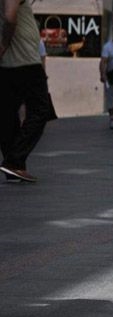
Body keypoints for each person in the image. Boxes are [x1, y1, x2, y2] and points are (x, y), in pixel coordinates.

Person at [0, 0, 52, 182]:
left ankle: (14, 167)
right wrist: (4, 44)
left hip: (10, 63)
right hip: (25, 61)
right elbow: (9, 16)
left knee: (7, 114)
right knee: (40, 109)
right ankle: (14, 161)